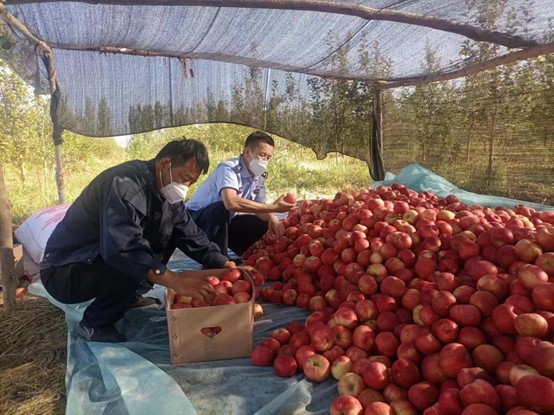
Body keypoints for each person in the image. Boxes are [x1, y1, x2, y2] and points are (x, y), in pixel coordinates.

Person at [40, 138, 244, 342]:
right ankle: (94, 323)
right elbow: (122, 248)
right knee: (132, 256)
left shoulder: (167, 192)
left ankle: (128, 297)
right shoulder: (124, 184)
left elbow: (190, 234)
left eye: (191, 182)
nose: (186, 186)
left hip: (93, 259)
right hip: (65, 270)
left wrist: (224, 263)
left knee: (164, 235)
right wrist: (175, 281)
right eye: (184, 178)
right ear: (165, 164)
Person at [186, 131, 295, 259]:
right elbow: (230, 202)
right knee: (221, 209)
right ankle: (217, 261)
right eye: (262, 155)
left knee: (261, 222)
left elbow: (260, 207)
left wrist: (272, 218)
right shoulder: (229, 168)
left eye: (268, 157)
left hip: (223, 222)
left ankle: (248, 255)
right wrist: (274, 208)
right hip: (196, 220)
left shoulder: (258, 176)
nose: (265, 161)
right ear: (248, 152)